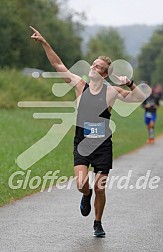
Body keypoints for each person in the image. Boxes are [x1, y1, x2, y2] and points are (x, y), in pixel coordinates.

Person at [30, 26, 148, 237]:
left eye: (98, 66)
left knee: (101, 187)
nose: (93, 67)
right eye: (93, 63)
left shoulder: (111, 91)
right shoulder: (79, 85)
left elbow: (138, 98)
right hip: (82, 141)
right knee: (82, 184)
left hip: (103, 144)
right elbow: (58, 65)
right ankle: (86, 194)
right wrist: (45, 42)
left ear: (104, 74)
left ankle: (98, 223)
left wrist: (130, 83)